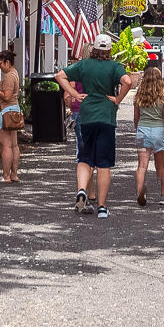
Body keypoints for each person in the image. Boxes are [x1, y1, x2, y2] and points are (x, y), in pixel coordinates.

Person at [56, 37, 134, 218]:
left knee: (85, 157)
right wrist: (117, 99)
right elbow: (128, 82)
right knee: (103, 164)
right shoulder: (115, 67)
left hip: (87, 115)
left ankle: (82, 190)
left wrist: (75, 94)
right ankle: (102, 207)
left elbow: (59, 76)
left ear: (94, 49)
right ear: (109, 50)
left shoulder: (84, 65)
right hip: (106, 116)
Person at [131, 62, 164, 207]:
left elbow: (136, 117)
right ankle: (163, 196)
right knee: (161, 166)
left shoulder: (139, 96)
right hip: (159, 131)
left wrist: (138, 128)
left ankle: (139, 193)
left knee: (142, 165)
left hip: (143, 130)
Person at [0, 46, 23, 183]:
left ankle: (6, 176)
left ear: (7, 62)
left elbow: (6, 96)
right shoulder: (15, 73)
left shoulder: (9, 77)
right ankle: (14, 174)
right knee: (14, 145)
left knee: (6, 145)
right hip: (14, 110)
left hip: (5, 111)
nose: (0, 67)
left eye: (0, 64)